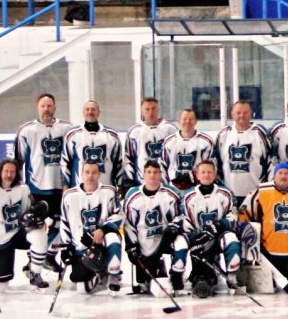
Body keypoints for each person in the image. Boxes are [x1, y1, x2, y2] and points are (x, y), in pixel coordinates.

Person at [13, 93, 72, 273]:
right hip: (36, 189)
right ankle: (34, 261)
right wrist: (18, 188)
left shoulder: (67, 128)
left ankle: (47, 256)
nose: (46, 109)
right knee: (36, 228)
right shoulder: (26, 130)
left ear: (55, 107)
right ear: (38, 108)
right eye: (43, 106)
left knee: (60, 224)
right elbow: (18, 161)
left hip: (61, 188)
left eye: (49, 105)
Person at [240, 162, 288, 291]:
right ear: (274, 175)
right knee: (271, 288)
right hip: (269, 255)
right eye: (280, 173)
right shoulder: (261, 191)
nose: (283, 176)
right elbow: (244, 214)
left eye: (286, 173)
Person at [0, 159, 47, 289]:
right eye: (6, 171)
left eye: (12, 172)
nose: (9, 175)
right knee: (1, 287)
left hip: (18, 233)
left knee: (39, 233)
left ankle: (34, 272)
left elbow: (29, 212)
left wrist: (37, 211)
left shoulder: (23, 189)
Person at [59, 160, 124, 293]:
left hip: (102, 243)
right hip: (82, 249)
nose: (90, 176)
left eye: (94, 172)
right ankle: (99, 274)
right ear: (81, 174)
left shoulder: (109, 192)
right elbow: (64, 222)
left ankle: (113, 274)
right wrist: (66, 247)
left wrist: (102, 229)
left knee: (113, 239)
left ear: (99, 174)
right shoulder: (69, 196)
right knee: (82, 288)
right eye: (87, 172)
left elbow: (120, 215)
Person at [122, 160, 184, 295]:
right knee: (145, 283)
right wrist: (131, 245)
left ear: (160, 175)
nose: (152, 175)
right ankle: (152, 270)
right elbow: (128, 224)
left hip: (166, 238)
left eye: (156, 172)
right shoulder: (133, 195)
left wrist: (173, 227)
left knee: (181, 243)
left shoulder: (172, 193)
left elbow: (181, 216)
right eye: (149, 172)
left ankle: (176, 276)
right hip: (144, 241)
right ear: (143, 174)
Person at [180, 160, 241, 296]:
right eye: (203, 172)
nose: (206, 175)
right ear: (197, 175)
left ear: (214, 175)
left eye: (209, 172)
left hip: (218, 237)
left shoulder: (226, 193)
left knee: (232, 239)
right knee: (181, 244)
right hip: (198, 239)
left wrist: (219, 225)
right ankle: (182, 278)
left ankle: (232, 277)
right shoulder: (188, 197)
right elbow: (186, 222)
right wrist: (196, 236)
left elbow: (233, 217)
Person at [215, 99, 271, 199]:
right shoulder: (224, 134)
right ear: (232, 114)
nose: (242, 115)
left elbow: (271, 162)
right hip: (229, 194)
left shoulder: (260, 133)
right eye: (238, 113)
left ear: (251, 114)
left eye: (245, 112)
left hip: (256, 194)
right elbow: (216, 162)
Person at [63, 100, 123, 190]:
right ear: (83, 112)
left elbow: (118, 162)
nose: (90, 112)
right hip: (80, 190)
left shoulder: (111, 135)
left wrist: (120, 185)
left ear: (99, 112)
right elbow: (65, 162)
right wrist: (65, 186)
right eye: (87, 109)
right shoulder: (73, 135)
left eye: (93, 109)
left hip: (105, 189)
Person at [125, 97, 178, 190]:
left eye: (153, 108)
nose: (150, 112)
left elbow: (176, 154)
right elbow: (129, 157)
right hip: (141, 181)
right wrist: (129, 180)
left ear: (158, 109)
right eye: (147, 109)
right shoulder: (134, 131)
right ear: (142, 111)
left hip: (167, 181)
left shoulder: (170, 129)